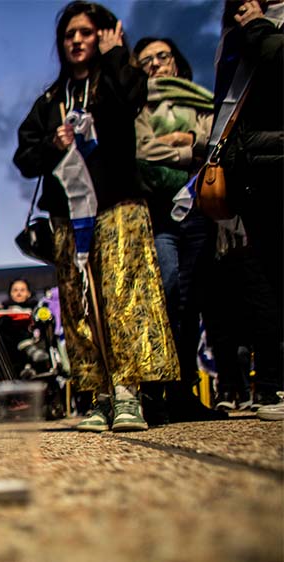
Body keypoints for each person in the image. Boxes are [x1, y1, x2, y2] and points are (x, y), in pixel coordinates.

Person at [13, 1, 177, 432]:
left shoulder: (116, 78)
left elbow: (135, 97)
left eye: (85, 33)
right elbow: (24, 158)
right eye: (69, 35)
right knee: (80, 303)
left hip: (119, 206)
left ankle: (129, 394)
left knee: (125, 297)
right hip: (71, 219)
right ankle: (100, 396)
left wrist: (116, 54)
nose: (77, 41)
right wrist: (53, 142)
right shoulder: (50, 100)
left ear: (100, 35)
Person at [132, 37, 225, 422]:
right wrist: (189, 147)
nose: (155, 65)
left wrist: (177, 142)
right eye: (146, 61)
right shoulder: (139, 107)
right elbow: (142, 151)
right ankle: (155, 390)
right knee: (165, 291)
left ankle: (183, 390)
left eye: (162, 56)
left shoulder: (200, 99)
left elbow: (213, 138)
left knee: (192, 299)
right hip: (158, 214)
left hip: (199, 210)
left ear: (176, 61)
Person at [214, 0, 283, 420]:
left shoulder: (258, 25)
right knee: (270, 279)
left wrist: (258, 27)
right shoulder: (232, 35)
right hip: (253, 169)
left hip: (274, 154)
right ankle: (275, 385)